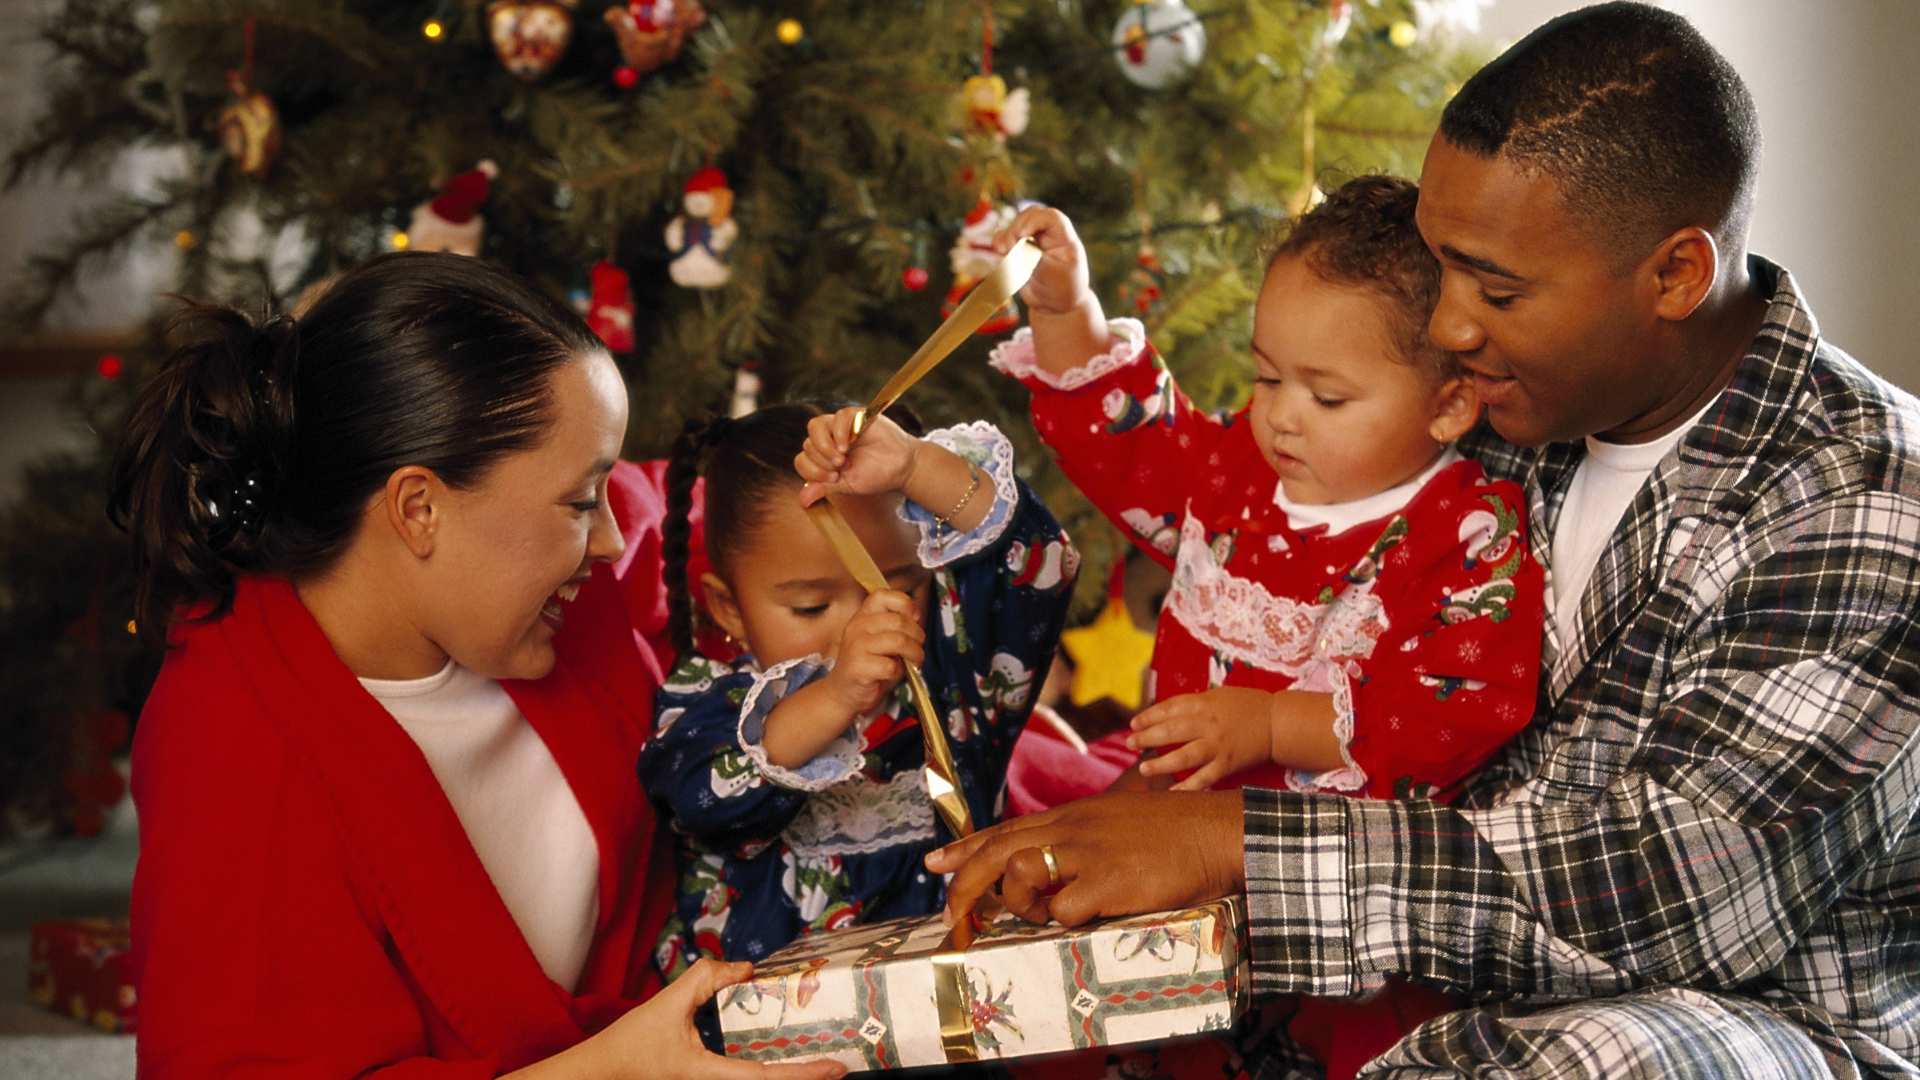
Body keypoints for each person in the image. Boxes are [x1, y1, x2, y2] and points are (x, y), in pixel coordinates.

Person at [928, 4, 1920, 1077]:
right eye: (1440, 269)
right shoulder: (1492, 404)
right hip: (1401, 973)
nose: (1445, 326)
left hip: (1731, 1021)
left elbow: (1677, 893)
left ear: (1676, 275)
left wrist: (1232, 845)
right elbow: (1204, 491)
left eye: (1495, 289)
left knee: (1610, 1058)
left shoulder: (1868, 497)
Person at [115, 251, 844, 1079]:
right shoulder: (232, 750)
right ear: (419, 508)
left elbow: (729, 523)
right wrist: (618, 1071)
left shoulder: (548, 585)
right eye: (579, 502)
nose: (608, 538)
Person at [639, 403, 1076, 979]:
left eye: (895, 587)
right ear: (729, 608)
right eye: (811, 605)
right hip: (763, 1045)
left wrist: (916, 467)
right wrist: (838, 694)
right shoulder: (707, 702)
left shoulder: (957, 689)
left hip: (951, 1021)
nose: (861, 626)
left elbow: (1037, 567)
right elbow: (703, 796)